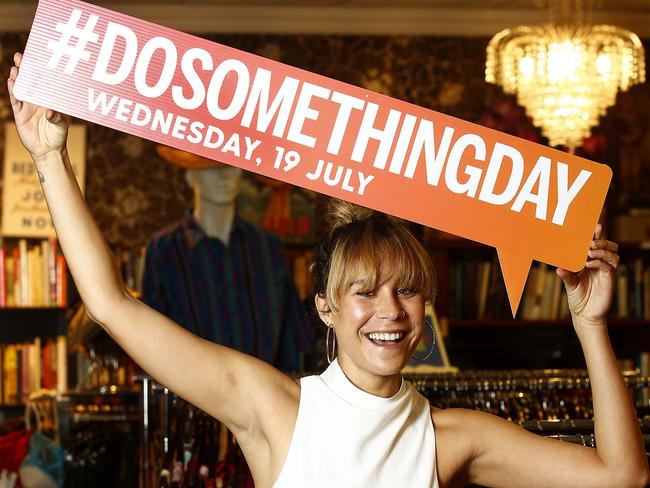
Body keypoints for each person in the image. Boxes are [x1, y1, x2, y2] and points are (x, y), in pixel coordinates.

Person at [7, 52, 649, 488]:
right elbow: (111, 303)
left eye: (407, 290)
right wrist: (49, 155)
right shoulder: (271, 405)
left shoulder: (454, 436)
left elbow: (623, 476)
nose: (390, 311)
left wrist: (590, 324)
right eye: (365, 291)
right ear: (325, 308)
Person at [141, 147, 310, 371]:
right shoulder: (164, 250)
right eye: (211, 167)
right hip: (191, 399)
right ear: (191, 177)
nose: (224, 175)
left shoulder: (267, 248)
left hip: (263, 399)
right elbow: (150, 341)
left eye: (231, 165)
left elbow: (291, 338)